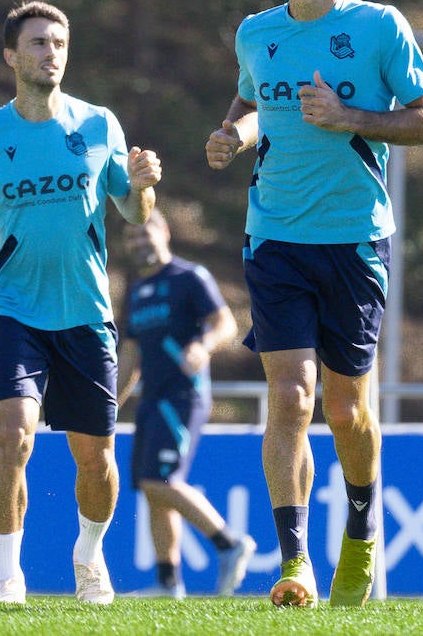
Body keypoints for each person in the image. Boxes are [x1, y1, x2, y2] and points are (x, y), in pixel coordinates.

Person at [204, 0, 423, 608]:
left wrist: (349, 116)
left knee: (346, 411)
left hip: (356, 239)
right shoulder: (258, 32)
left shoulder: (379, 27)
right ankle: (295, 562)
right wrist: (231, 136)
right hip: (274, 236)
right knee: (291, 396)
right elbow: (253, 101)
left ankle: (364, 530)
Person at [0, 0, 161, 606]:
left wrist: (141, 186)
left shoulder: (99, 126)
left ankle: (88, 555)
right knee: (14, 437)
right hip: (15, 312)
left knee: (96, 457)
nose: (50, 52)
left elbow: (132, 213)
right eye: (37, 43)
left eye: (58, 42)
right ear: (11, 56)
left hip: (85, 313)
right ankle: (7, 576)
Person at [116, 208, 257, 598]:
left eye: (145, 233)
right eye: (131, 237)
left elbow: (225, 323)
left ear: (164, 232)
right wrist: (110, 406)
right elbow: (129, 355)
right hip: (151, 399)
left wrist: (203, 345)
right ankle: (168, 582)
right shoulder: (135, 291)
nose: (139, 242)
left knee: (159, 481)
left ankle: (230, 543)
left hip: (182, 397)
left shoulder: (189, 277)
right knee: (151, 488)